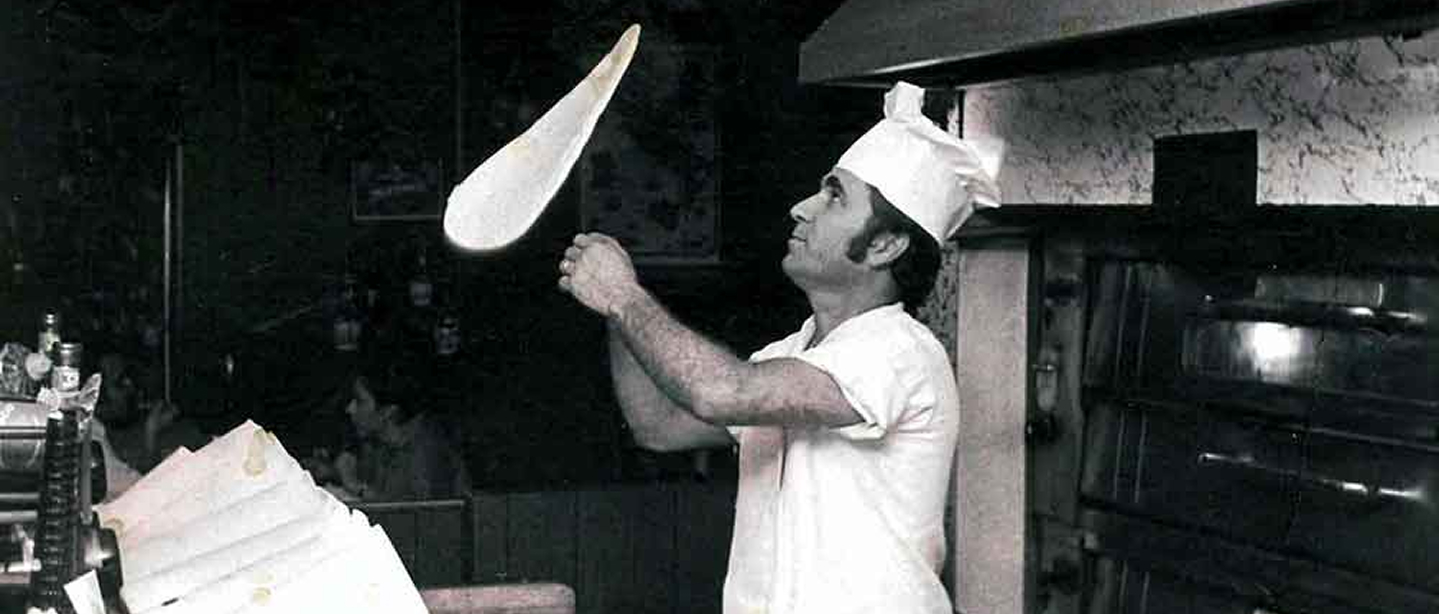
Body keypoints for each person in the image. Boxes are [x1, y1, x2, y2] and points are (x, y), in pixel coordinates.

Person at [557, 81, 1002, 614]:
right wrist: (614, 308)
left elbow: (720, 392)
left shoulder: (898, 352)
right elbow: (659, 425)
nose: (801, 208)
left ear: (885, 245)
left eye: (834, 195)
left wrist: (625, 297)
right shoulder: (796, 353)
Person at [312, 357, 470, 501]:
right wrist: (333, 472)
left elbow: (407, 517)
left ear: (388, 412)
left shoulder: (425, 457)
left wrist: (353, 484)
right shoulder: (381, 444)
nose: (350, 409)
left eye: (360, 401)